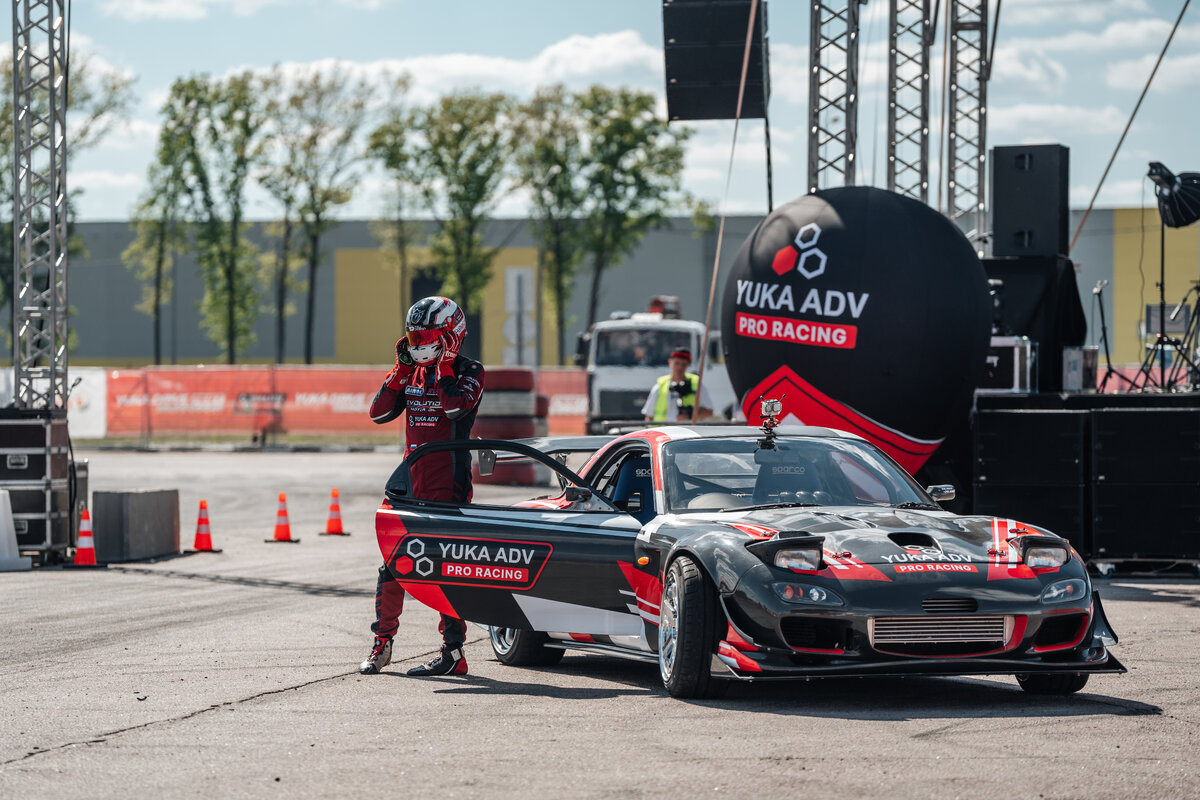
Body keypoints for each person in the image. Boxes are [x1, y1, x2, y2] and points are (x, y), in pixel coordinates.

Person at [359, 296, 484, 677]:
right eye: (413, 337)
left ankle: (453, 652)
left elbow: (453, 409)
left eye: (427, 336)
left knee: (445, 567)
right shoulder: (411, 370)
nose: (418, 344)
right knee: (392, 566)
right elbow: (378, 412)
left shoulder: (471, 370)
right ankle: (382, 644)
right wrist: (399, 370)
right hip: (410, 480)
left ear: (451, 335)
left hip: (448, 483)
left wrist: (445, 368)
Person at [641, 348, 713, 423]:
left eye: (683, 364)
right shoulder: (659, 386)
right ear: (670, 363)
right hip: (664, 432)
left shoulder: (697, 385)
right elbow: (649, 416)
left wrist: (689, 416)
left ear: (688, 365)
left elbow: (709, 411)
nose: (680, 367)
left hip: (686, 432)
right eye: (677, 363)